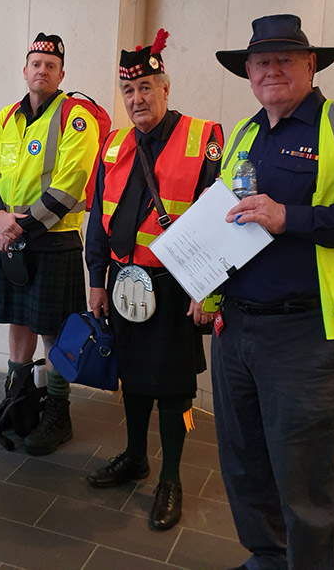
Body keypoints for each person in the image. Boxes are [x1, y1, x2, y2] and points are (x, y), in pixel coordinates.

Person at [212, 14, 334, 569]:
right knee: (245, 463)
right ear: (247, 72)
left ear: (311, 65)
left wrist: (288, 217)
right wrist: (209, 287)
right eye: (261, 61)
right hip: (238, 329)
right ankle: (267, 558)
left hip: (307, 334)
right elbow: (232, 223)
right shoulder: (246, 134)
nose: (272, 70)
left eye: (285, 59)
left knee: (309, 478)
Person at [84, 30, 222, 530]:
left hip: (176, 287)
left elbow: (220, 222)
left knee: (176, 391)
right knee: (135, 379)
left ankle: (172, 478)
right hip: (123, 283)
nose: (137, 99)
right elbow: (98, 216)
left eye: (146, 88)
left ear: (166, 88)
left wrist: (208, 288)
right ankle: (135, 455)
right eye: (129, 91)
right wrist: (96, 280)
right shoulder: (114, 144)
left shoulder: (206, 138)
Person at [0, 33, 100, 455]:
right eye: (35, 63)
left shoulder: (75, 116)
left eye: (50, 65)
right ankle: (19, 400)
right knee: (18, 323)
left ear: (61, 73)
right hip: (11, 237)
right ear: (24, 70)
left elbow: (71, 185)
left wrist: (15, 228)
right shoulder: (6, 117)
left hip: (53, 239)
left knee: (54, 331)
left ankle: (57, 413)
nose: (41, 70)